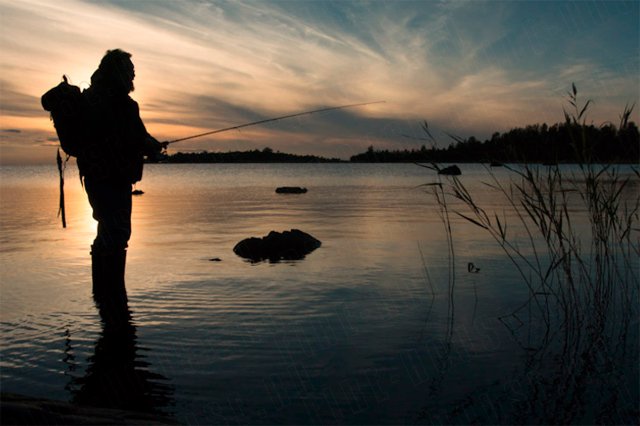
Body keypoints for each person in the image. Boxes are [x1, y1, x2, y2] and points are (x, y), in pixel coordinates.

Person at [78, 49, 166, 296]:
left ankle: (102, 297)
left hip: (94, 178)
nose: (133, 76)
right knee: (117, 234)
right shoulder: (124, 105)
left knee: (106, 230)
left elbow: (132, 138)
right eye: (130, 71)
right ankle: (113, 297)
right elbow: (137, 139)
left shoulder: (92, 99)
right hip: (114, 180)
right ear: (119, 73)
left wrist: (150, 145)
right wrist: (153, 148)